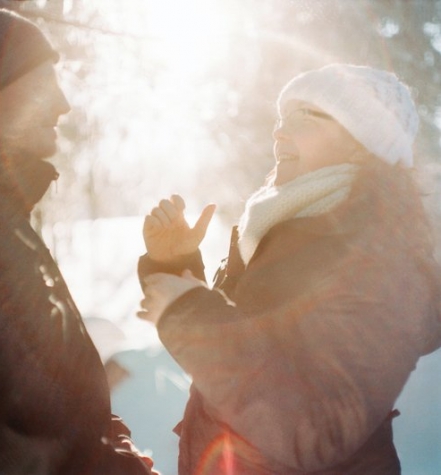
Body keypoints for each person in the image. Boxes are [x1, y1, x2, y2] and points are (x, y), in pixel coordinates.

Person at [138, 63, 441, 474]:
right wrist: (174, 265)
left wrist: (188, 313)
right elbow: (233, 362)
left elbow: (314, 429)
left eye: (306, 116)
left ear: (363, 142)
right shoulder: (280, 224)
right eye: (282, 117)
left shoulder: (384, 259)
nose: (279, 131)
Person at [0, 3, 157, 474]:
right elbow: (19, 431)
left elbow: (50, 393)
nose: (62, 103)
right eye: (41, 79)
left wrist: (111, 443)